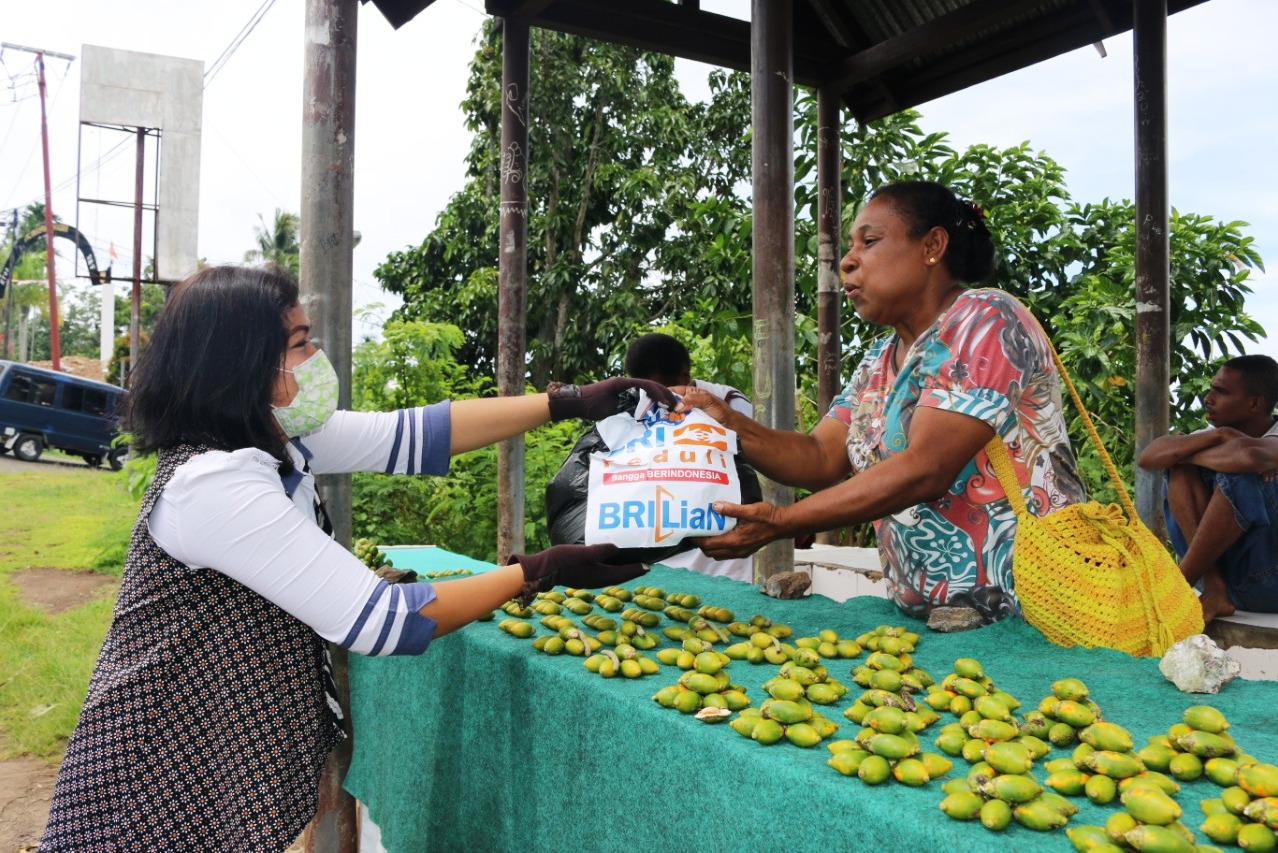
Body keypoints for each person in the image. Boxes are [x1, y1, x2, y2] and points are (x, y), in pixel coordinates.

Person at [38, 265, 671, 852]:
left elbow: (414, 433)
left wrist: (572, 401)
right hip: (150, 788)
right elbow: (380, 620)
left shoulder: (273, 437)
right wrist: (538, 571)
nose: (317, 359)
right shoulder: (215, 485)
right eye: (300, 343)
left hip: (206, 771)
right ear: (240, 363)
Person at [679, 180, 1088, 622]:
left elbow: (925, 468)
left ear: (932, 245)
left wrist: (782, 521)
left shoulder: (986, 319)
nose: (848, 261)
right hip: (936, 624)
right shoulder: (878, 360)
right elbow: (818, 457)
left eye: (869, 242)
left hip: (1031, 617)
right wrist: (729, 424)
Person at [1138, 354, 1278, 623]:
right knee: (1181, 469)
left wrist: (1183, 452)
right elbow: (1149, 457)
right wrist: (1219, 435)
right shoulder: (1212, 434)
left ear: (1255, 403)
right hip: (1222, 583)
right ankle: (1213, 587)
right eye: (1211, 389)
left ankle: (1176, 587)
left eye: (1221, 392)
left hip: (1268, 583)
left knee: (1241, 474)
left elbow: (1250, 457)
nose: (1208, 399)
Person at [623, 332, 755, 582]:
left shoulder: (729, 403)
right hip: (656, 546)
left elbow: (760, 461)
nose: (655, 395)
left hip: (721, 554)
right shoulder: (633, 406)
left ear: (685, 377)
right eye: (645, 388)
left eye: (662, 387)